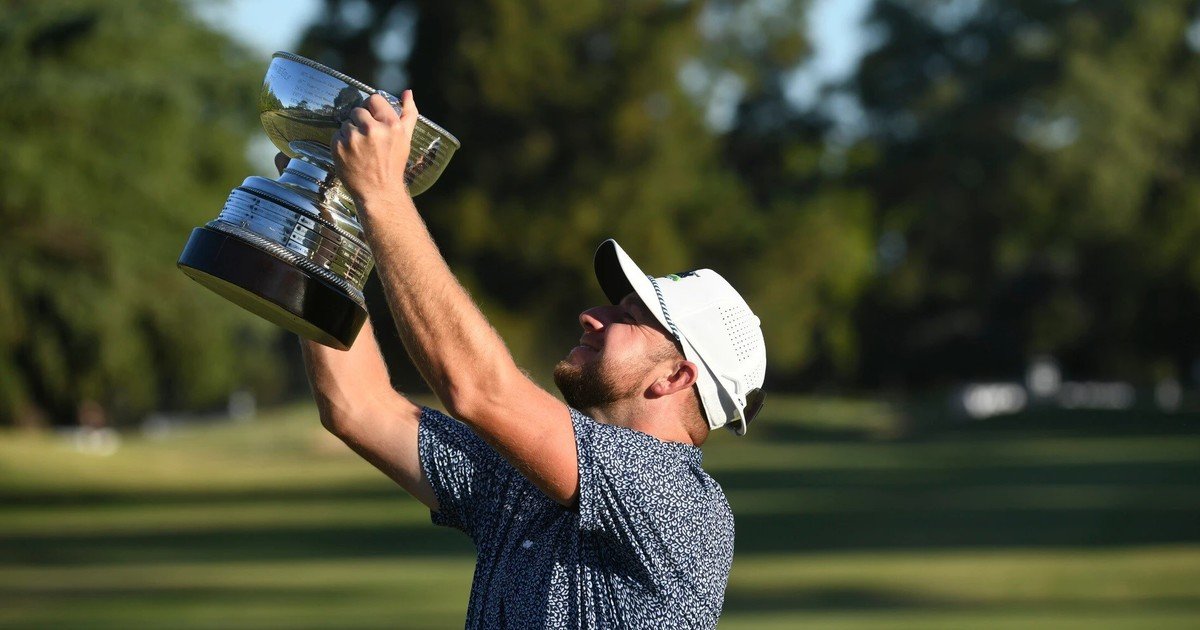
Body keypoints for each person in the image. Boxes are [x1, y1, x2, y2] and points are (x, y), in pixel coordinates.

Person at [299, 90, 767, 629]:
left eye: (630, 318)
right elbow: (357, 407)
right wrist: (329, 230)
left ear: (676, 376)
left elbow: (476, 388)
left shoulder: (682, 504)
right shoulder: (528, 479)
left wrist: (380, 193)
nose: (592, 315)